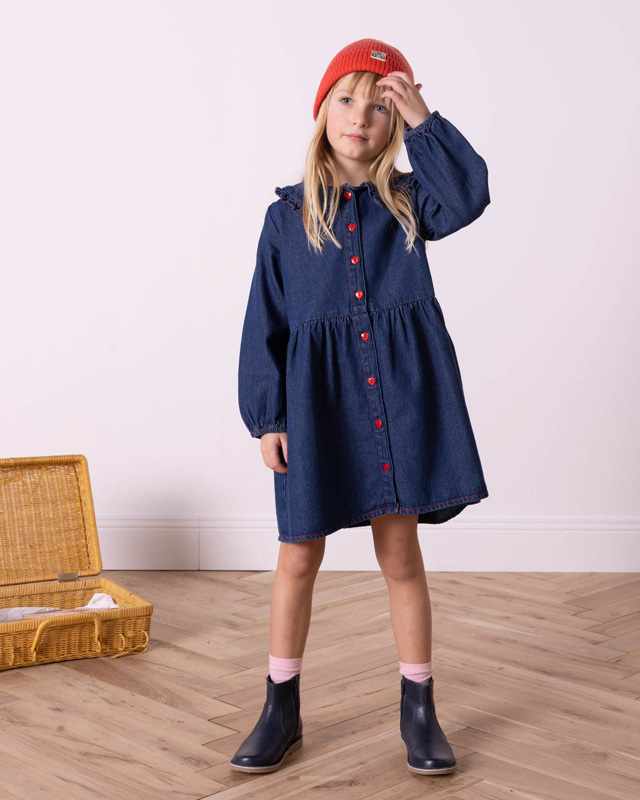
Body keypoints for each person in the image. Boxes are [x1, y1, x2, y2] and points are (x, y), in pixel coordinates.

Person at [234, 38, 490, 776]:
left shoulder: (409, 203)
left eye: (380, 107)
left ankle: (420, 709)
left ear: (395, 124)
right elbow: (265, 321)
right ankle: (280, 706)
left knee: (400, 554)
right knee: (298, 555)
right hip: (315, 408)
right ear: (323, 112)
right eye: (346, 100)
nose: (360, 117)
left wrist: (425, 118)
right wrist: (268, 416)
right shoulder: (286, 217)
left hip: (396, 402)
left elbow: (468, 197)